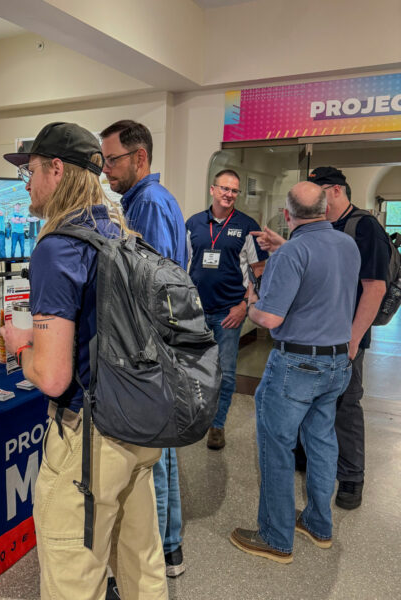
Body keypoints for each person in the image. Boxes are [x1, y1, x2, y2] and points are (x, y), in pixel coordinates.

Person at [0, 122, 168, 600]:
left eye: (29, 171)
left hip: (89, 441)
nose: (27, 183)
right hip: (139, 427)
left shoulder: (57, 248)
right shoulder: (120, 231)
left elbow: (52, 377)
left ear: (55, 168)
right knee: (141, 565)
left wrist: (21, 346)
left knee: (74, 576)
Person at [230, 181, 360, 563]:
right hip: (337, 363)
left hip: (297, 365)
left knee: (276, 446)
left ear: (287, 215)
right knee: (321, 442)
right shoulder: (345, 244)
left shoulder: (293, 254)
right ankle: (319, 525)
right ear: (325, 208)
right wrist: (285, 249)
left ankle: (275, 537)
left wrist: (251, 304)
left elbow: (270, 318)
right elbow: (318, 265)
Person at [253, 167, 390, 510]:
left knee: (343, 412)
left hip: (339, 342)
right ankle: (317, 508)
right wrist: (287, 247)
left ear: (332, 192)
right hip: (333, 343)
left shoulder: (364, 227)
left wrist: (354, 340)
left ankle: (350, 480)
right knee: (322, 427)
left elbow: (375, 287)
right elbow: (322, 264)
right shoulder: (339, 238)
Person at [100, 119, 186, 579]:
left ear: (140, 158)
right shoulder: (151, 200)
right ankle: (169, 547)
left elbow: (149, 284)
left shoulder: (147, 204)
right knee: (162, 452)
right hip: (161, 349)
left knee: (156, 457)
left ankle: (166, 546)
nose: (106, 170)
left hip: (151, 351)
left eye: (113, 160)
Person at [186, 169, 268, 450]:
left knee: (227, 373)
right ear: (212, 190)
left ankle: (217, 425)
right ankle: (194, 419)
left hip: (228, 315)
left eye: (234, 190)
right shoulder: (194, 224)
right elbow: (182, 266)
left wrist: (245, 305)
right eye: (224, 188)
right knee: (193, 368)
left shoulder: (246, 225)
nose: (229, 194)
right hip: (196, 312)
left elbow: (259, 270)